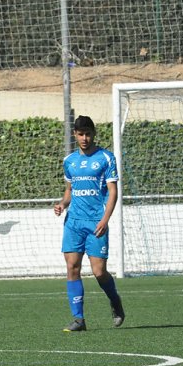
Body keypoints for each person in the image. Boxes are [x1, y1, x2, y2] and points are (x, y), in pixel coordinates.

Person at [53, 115, 124, 332]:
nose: (85, 138)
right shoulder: (69, 161)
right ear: (75, 135)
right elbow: (69, 191)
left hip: (96, 222)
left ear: (94, 134)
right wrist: (62, 204)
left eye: (88, 134)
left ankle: (114, 300)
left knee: (99, 272)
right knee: (72, 267)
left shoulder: (106, 158)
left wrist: (105, 220)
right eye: (81, 134)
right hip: (73, 221)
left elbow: (113, 192)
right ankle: (78, 319)